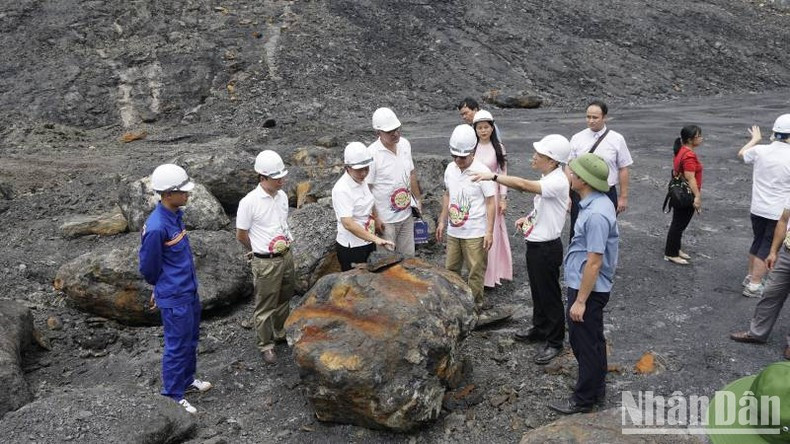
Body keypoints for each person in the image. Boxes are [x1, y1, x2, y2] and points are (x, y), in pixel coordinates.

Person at [472, 134, 571, 365]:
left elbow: (525, 186)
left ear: (553, 160)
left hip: (546, 248)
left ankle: (555, 340)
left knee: (550, 295)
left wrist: (494, 176)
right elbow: (543, 209)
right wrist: (527, 219)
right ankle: (540, 328)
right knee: (538, 291)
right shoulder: (549, 176)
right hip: (537, 245)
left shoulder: (556, 181)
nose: (534, 157)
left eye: (540, 155)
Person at [548, 153, 619, 415]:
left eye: (573, 172)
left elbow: (594, 262)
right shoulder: (594, 203)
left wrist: (580, 301)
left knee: (585, 343)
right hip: (586, 284)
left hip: (588, 288)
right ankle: (596, 388)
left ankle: (583, 398)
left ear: (584, 180)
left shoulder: (597, 214)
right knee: (593, 340)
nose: (569, 174)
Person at [139, 164, 212, 415]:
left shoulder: (175, 215)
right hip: (174, 296)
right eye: (183, 191)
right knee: (176, 345)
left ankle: (187, 380)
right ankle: (172, 394)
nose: (187, 194)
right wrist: (158, 288)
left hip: (188, 291)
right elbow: (148, 266)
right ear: (168, 194)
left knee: (190, 339)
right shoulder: (158, 226)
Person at [236, 150, 295, 365]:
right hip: (266, 260)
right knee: (265, 303)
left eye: (282, 176)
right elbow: (241, 234)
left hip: (285, 254)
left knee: (285, 296)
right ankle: (266, 344)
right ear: (262, 177)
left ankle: (280, 332)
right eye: (276, 177)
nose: (281, 180)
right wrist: (256, 250)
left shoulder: (282, 197)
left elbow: (283, 222)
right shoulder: (249, 202)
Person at [436, 124, 496, 308]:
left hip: (475, 232)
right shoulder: (450, 169)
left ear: (472, 151)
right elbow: (447, 194)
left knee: (475, 271)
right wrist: (442, 220)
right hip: (454, 231)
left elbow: (490, 202)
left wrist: (489, 231)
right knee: (451, 269)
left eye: (462, 157)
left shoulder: (482, 171)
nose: (458, 160)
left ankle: (475, 304)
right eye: (454, 156)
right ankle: (454, 303)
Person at [737, 114, 790, 297]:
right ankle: (755, 284)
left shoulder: (760, 150)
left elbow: (742, 154)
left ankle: (751, 276)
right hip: (778, 212)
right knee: (767, 246)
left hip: (757, 207)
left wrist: (754, 139)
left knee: (758, 240)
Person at [730, 201, 790, 360]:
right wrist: (773, 251)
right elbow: (784, 220)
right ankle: (757, 333)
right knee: (771, 292)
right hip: (787, 252)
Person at [568, 100, 633, 240]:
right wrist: (567, 194)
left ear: (605, 117)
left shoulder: (617, 139)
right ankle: (576, 260)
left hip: (606, 193)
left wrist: (623, 197)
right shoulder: (577, 138)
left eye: (595, 117)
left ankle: (598, 260)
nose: (591, 121)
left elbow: (623, 168)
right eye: (588, 117)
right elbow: (569, 166)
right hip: (580, 192)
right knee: (577, 231)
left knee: (603, 231)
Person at [366, 107, 422, 257]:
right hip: (386, 220)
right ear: (378, 132)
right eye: (390, 131)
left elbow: (411, 173)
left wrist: (418, 200)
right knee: (387, 262)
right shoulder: (372, 154)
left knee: (409, 257)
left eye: (397, 129)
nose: (395, 134)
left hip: (406, 215)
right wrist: (375, 217)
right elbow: (367, 188)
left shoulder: (405, 144)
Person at [332, 142, 395, 270]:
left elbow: (369, 200)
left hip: (367, 239)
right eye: (359, 170)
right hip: (353, 246)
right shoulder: (342, 189)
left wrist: (376, 218)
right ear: (347, 168)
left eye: (366, 168)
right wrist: (376, 239)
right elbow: (348, 223)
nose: (364, 173)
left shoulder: (361, 180)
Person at [472, 110, 513, 288]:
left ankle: (492, 275)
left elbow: (503, 173)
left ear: (492, 127)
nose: (483, 131)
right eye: (479, 128)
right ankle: (477, 272)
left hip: (493, 195)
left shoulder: (499, 147)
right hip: (475, 194)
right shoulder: (471, 148)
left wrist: (503, 198)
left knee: (492, 232)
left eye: (486, 127)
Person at [663, 125, 704, 265]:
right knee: (679, 225)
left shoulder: (681, 150)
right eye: (699, 136)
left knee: (678, 223)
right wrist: (697, 197)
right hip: (687, 194)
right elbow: (690, 177)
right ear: (690, 139)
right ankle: (671, 253)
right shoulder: (689, 155)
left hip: (679, 192)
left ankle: (675, 248)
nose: (701, 138)